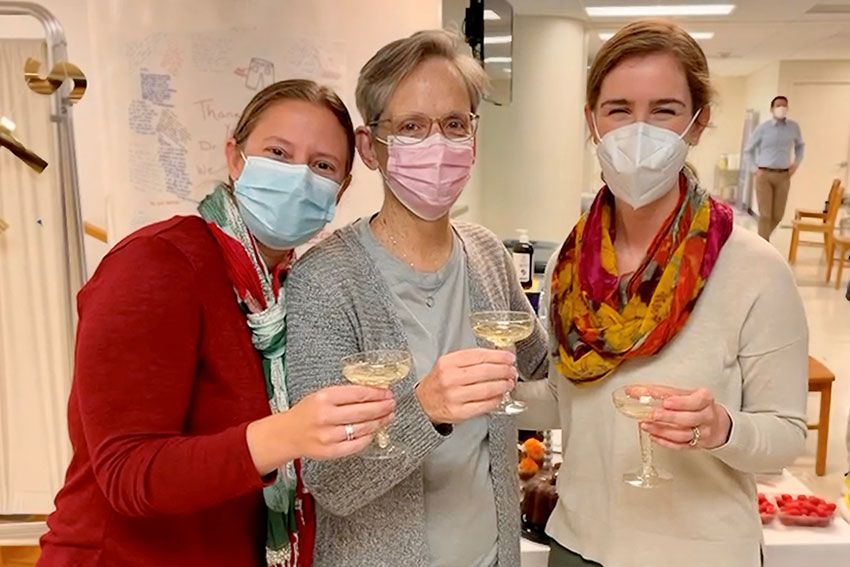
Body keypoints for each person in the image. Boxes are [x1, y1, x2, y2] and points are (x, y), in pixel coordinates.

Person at [39, 80, 397, 567]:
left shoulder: (289, 285)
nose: (298, 177)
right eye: (277, 152)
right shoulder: (157, 264)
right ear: (235, 158)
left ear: (341, 190)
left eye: (321, 166)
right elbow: (127, 473)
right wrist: (287, 435)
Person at [517, 20, 809, 567]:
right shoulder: (569, 263)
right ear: (592, 121)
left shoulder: (752, 267)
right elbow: (567, 403)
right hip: (578, 544)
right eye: (619, 109)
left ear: (698, 124)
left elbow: (785, 434)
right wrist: (482, 395)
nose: (639, 129)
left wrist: (722, 428)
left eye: (665, 110)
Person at [285, 30, 548, 566]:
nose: (438, 145)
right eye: (410, 127)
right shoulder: (325, 281)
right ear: (369, 147)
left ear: (473, 137)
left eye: (454, 124)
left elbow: (540, 368)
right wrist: (425, 409)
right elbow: (329, 482)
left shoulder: (487, 254)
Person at [744, 95, 805, 240]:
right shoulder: (763, 128)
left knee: (778, 215)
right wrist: (754, 169)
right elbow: (748, 150)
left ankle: (759, 240)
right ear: (772, 109)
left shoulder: (793, 127)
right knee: (765, 214)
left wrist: (795, 164)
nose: (781, 108)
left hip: (784, 176)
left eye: (784, 105)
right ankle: (763, 246)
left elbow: (800, 146)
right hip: (764, 174)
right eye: (778, 105)